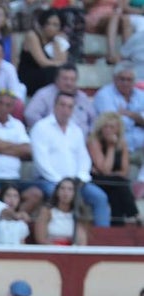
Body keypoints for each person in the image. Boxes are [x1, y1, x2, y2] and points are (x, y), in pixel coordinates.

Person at [30, 91, 111, 228]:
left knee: (100, 198)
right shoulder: (41, 127)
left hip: (76, 182)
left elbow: (83, 158)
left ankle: (101, 240)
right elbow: (40, 160)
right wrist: (62, 183)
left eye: (70, 106)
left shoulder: (76, 130)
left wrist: (80, 178)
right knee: (59, 194)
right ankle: (59, 231)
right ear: (54, 106)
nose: (66, 109)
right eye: (62, 105)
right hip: (48, 180)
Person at [88, 111, 141, 226]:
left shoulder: (122, 143)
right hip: (97, 181)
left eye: (112, 127)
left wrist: (111, 174)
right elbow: (105, 169)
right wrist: (111, 147)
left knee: (117, 192)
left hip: (114, 183)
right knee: (120, 183)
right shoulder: (94, 141)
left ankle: (118, 226)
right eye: (105, 126)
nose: (108, 130)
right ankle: (134, 214)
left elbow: (124, 171)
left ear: (118, 129)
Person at [24, 64, 96, 135]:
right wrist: (47, 130)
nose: (69, 83)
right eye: (65, 79)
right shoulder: (44, 94)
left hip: (81, 141)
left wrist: (91, 135)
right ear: (56, 80)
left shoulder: (82, 97)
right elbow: (30, 114)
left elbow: (94, 119)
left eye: (72, 79)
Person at [93, 62, 144, 153]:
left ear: (134, 81)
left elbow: (122, 120)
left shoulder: (140, 95)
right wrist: (138, 120)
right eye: (122, 79)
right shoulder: (104, 95)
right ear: (114, 79)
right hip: (117, 148)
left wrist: (130, 114)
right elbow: (114, 124)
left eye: (129, 80)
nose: (125, 83)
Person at [18, 9, 70, 99]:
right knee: (53, 72)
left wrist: (58, 42)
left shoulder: (58, 39)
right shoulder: (32, 35)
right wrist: (60, 64)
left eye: (55, 25)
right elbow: (43, 62)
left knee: (64, 73)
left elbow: (63, 61)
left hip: (46, 77)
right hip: (29, 77)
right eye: (48, 23)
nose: (50, 27)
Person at [32, 177, 88, 246]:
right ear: (57, 192)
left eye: (70, 189)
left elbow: (82, 242)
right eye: (62, 188)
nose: (65, 192)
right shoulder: (47, 211)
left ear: (75, 193)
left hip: (70, 252)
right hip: (51, 251)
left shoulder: (77, 213)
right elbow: (41, 239)